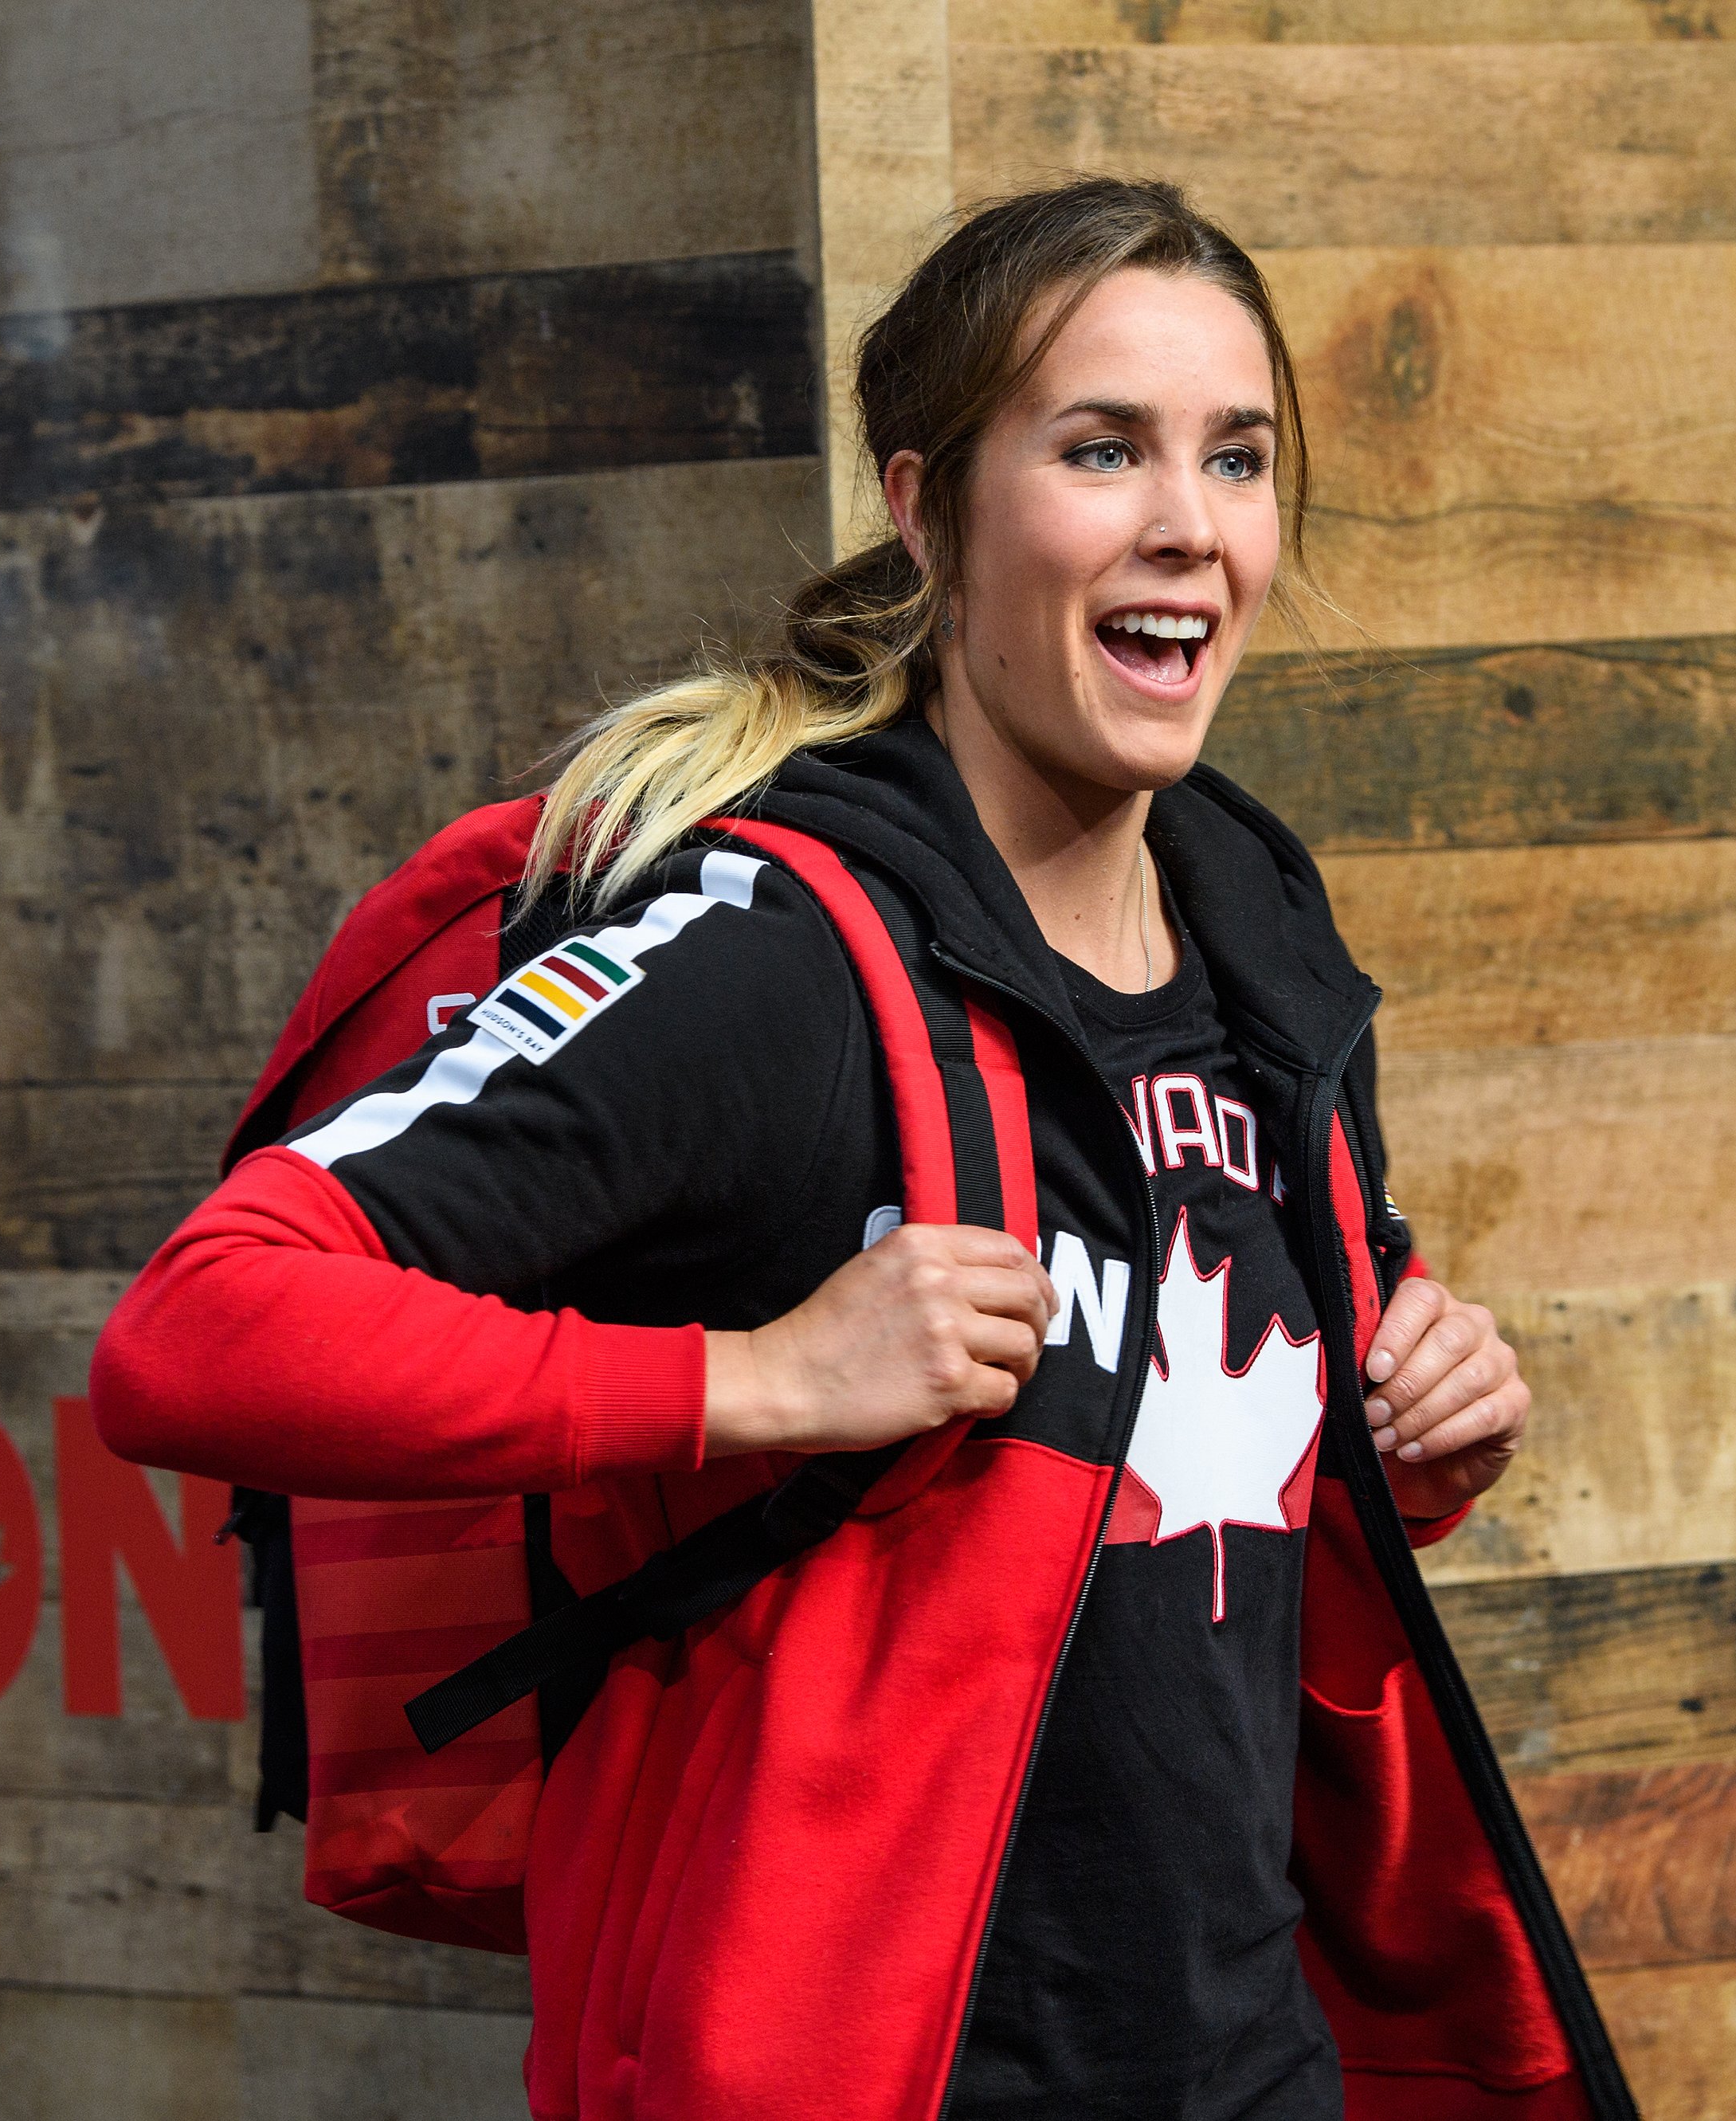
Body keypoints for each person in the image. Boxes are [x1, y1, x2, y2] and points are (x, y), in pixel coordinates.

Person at [92, 178, 1628, 2121]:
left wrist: (1407, 1436)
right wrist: (751, 1379)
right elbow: (196, 1331)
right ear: (924, 507)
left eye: (1234, 458)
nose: (1189, 526)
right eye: (1099, 450)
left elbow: (1144, 1509)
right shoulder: (772, 959)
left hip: (1248, 2068)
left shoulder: (1264, 946)